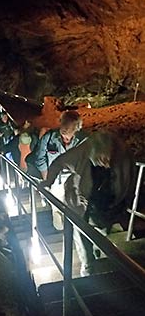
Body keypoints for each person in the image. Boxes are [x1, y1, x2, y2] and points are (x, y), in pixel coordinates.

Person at [41, 131, 135, 276]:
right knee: (83, 239)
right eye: (101, 159)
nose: (106, 163)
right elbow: (59, 162)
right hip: (81, 203)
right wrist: (47, 182)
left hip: (106, 204)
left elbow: (130, 181)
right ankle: (88, 268)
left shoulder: (123, 153)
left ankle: (96, 251)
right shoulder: (82, 150)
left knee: (100, 232)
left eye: (108, 159)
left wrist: (126, 203)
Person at [35, 110, 84, 228]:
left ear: (77, 127)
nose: (64, 128)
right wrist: (47, 180)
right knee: (57, 210)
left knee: (76, 212)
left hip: (75, 183)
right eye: (63, 123)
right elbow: (40, 159)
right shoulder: (49, 137)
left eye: (69, 125)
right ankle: (60, 233)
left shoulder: (82, 141)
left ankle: (74, 238)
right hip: (55, 181)